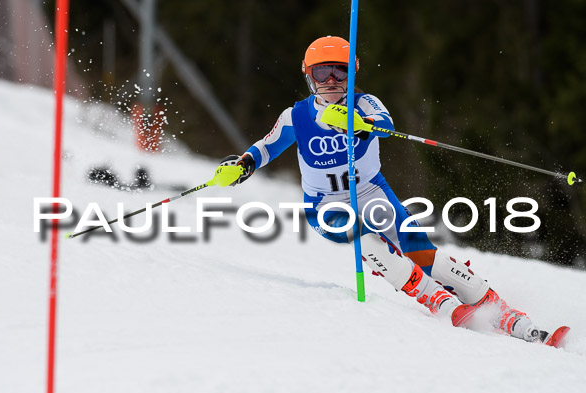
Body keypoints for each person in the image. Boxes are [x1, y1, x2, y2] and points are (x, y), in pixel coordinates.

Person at [219, 35, 552, 344]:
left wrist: (360, 126)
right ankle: (436, 300)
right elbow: (267, 146)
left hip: (371, 192)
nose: (332, 81)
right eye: (323, 73)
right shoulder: (296, 116)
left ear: (353, 73)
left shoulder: (364, 104)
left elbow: (385, 124)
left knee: (418, 249)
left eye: (341, 72)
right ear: (309, 76)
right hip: (325, 205)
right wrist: (244, 164)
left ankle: (496, 306)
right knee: (365, 240)